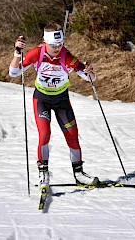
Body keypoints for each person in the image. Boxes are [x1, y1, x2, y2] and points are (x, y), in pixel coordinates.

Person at [9, 22, 99, 187]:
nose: (57, 48)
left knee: (72, 136)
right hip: (42, 99)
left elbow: (91, 79)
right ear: (45, 42)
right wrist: (17, 53)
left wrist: (90, 71)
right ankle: (43, 174)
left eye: (59, 45)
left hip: (61, 100)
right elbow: (14, 73)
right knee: (44, 134)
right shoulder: (37, 53)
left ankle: (79, 174)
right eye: (53, 45)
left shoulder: (67, 57)